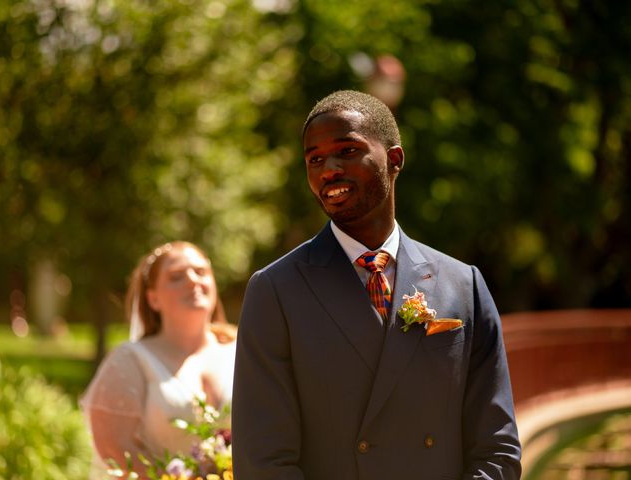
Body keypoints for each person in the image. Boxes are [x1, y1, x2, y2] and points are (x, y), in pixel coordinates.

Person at [232, 90, 521, 479]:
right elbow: (263, 461)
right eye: (314, 159)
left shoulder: (463, 284)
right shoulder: (275, 290)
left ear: (394, 160)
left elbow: (498, 447)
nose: (328, 169)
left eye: (347, 151)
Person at [82, 241, 236, 478]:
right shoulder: (130, 360)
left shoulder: (242, 350)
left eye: (201, 272)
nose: (193, 280)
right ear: (153, 299)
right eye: (176, 277)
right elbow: (115, 449)